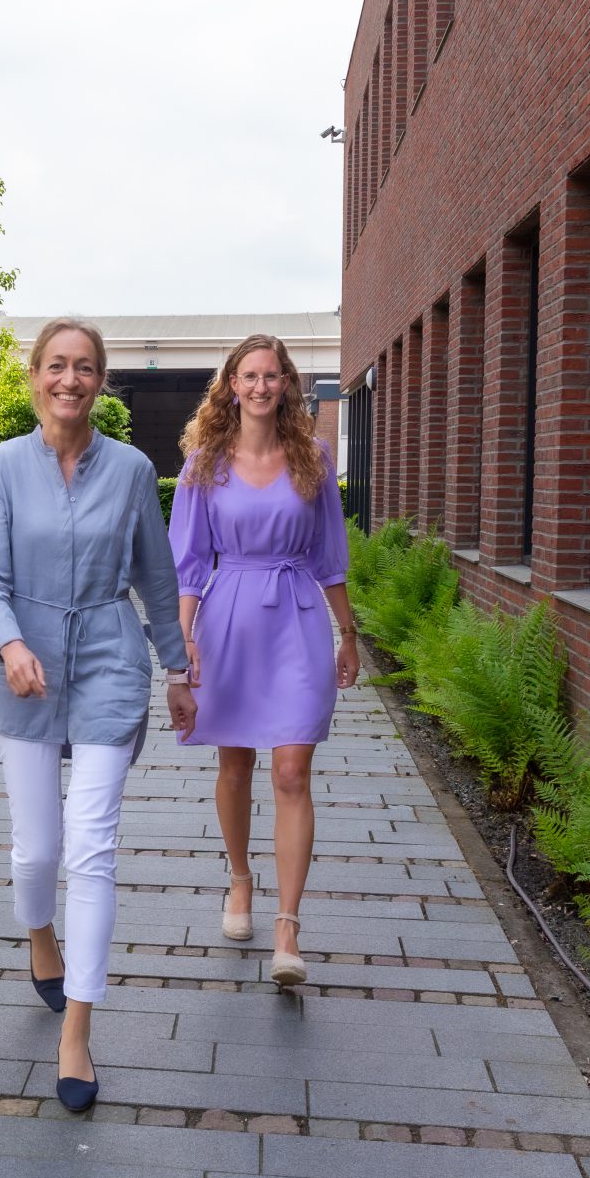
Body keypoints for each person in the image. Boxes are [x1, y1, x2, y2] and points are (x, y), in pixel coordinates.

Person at [0, 317, 193, 1112]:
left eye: (85, 366)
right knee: (37, 849)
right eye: (57, 365)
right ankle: (40, 936)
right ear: (34, 375)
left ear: (100, 380)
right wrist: (8, 643)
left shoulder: (131, 469)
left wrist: (178, 668)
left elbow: (156, 576)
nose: (70, 379)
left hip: (107, 658)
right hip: (22, 665)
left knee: (91, 848)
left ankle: (77, 1032)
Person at [168, 333, 359, 987]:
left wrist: (349, 633)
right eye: (248, 375)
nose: (260, 386)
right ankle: (240, 878)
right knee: (235, 762)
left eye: (271, 375)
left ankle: (288, 926)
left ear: (286, 384)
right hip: (228, 620)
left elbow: (330, 555)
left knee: (292, 768)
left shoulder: (313, 455)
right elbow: (189, 563)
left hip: (297, 617)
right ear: (231, 385)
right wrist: (183, 639)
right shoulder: (203, 464)